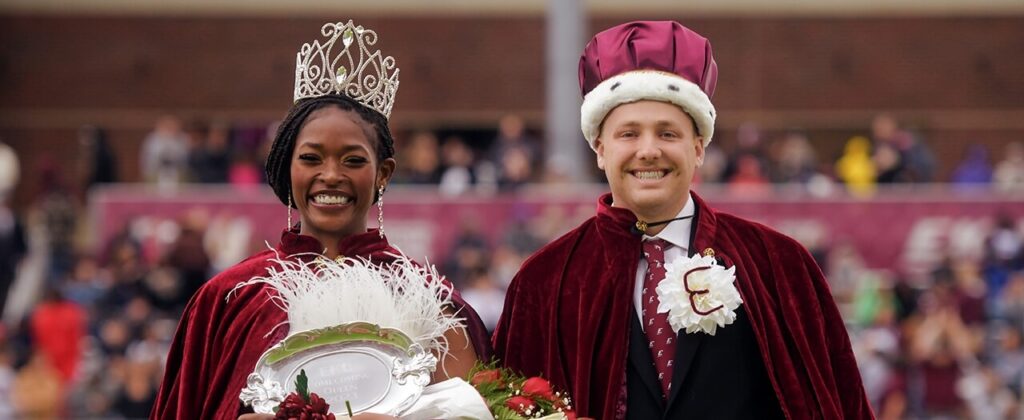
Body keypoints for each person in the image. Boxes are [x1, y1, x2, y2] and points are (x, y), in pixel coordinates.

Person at [493, 21, 872, 419]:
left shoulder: (778, 264)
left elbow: (838, 402)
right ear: (600, 150)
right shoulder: (544, 282)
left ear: (699, 147)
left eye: (668, 134)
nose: (649, 150)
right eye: (629, 134)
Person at [153, 21, 491, 419]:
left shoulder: (429, 299)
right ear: (287, 167)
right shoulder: (230, 299)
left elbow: (474, 406)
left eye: (353, 160)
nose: (331, 175)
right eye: (311, 158)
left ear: (383, 173)